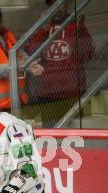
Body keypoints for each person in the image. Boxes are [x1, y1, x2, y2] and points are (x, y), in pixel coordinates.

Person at [24, 0, 94, 128]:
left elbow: (87, 55)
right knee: (52, 137)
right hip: (47, 94)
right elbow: (31, 55)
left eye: (59, 4)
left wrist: (80, 30)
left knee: (78, 137)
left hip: (73, 93)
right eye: (51, 5)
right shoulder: (43, 29)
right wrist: (42, 29)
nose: (55, 8)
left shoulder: (76, 27)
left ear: (66, 6)